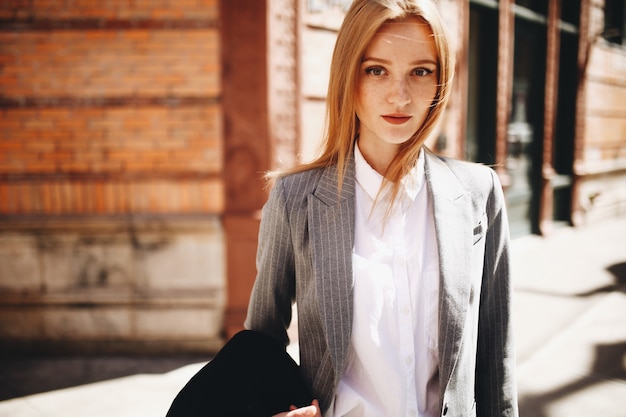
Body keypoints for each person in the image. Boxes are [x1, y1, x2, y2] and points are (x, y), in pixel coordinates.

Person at [245, 0, 519, 416]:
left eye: (420, 71)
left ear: (440, 81)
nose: (400, 95)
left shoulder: (478, 192)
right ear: (349, 76)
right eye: (376, 70)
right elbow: (261, 343)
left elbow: (496, 358)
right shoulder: (294, 199)